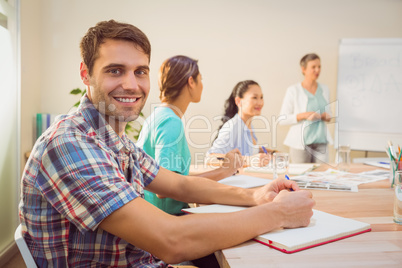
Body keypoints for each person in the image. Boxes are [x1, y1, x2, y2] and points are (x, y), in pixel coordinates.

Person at [19, 20, 315, 267]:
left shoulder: (115, 139)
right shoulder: (70, 144)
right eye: (115, 70)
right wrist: (279, 213)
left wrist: (255, 197)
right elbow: (172, 241)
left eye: (140, 71)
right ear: (86, 74)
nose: (132, 85)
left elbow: (179, 184)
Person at [137, 55, 242, 216]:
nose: (202, 85)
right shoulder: (170, 122)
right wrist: (224, 171)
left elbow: (172, 177)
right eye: (201, 79)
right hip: (168, 219)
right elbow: (164, 189)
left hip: (155, 214)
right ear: (191, 82)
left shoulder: (158, 116)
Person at [279, 53, 333, 163]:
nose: (317, 70)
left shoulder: (325, 89)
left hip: (321, 142)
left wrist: (326, 116)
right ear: (303, 69)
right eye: (313, 67)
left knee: (322, 177)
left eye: (319, 67)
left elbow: (329, 114)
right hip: (300, 144)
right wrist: (304, 115)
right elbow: (282, 119)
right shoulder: (293, 90)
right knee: (301, 177)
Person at [208, 80, 273, 167]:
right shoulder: (233, 126)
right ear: (238, 101)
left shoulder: (249, 125)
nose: (260, 102)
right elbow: (211, 158)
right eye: (254, 97)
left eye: (261, 97)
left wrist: (272, 153)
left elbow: (248, 150)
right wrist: (248, 160)